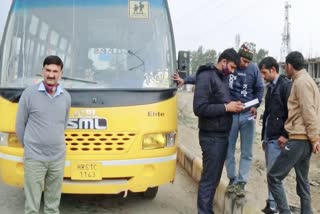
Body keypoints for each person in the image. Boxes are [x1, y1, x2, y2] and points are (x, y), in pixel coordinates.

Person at [173, 42, 264, 197]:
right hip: (229, 114)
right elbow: (205, 76)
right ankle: (232, 178)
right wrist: (185, 80)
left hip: (247, 114)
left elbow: (260, 89)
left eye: (248, 62)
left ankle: (241, 182)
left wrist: (256, 104)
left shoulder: (254, 70)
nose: (245, 64)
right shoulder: (228, 68)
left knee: (247, 151)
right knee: (228, 148)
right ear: (237, 57)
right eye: (243, 60)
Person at [16, 55, 71, 214]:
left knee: (53, 206)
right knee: (32, 207)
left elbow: (63, 124)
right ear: (42, 71)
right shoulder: (29, 94)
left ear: (61, 73)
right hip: (35, 158)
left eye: (55, 71)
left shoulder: (66, 97)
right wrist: (29, 148)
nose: (51, 74)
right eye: (48, 70)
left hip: (57, 158)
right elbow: (20, 124)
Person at [268, 51, 320, 214]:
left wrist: (314, 137)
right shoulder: (308, 81)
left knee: (274, 177)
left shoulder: (301, 83)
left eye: (285, 67)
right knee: (303, 181)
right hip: (304, 139)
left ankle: (285, 212)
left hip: (299, 139)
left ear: (290, 66)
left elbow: (308, 111)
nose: (285, 70)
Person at [193, 48, 244, 214]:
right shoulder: (206, 76)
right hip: (211, 137)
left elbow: (221, 102)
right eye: (232, 67)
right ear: (223, 62)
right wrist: (226, 107)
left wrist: (233, 106)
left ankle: (207, 210)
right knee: (209, 180)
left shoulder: (221, 77)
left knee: (214, 179)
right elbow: (199, 108)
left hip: (221, 136)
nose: (233, 71)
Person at [259, 57, 292, 214]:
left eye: (264, 72)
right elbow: (267, 113)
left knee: (275, 175)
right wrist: (263, 137)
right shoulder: (271, 88)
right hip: (269, 138)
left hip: (278, 138)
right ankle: (271, 204)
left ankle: (277, 207)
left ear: (273, 70)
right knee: (271, 173)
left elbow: (292, 113)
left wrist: (286, 134)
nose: (263, 76)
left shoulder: (285, 86)